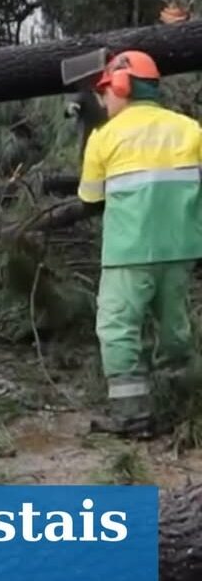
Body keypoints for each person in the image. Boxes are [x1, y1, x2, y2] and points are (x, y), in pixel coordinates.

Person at [76, 49, 202, 438]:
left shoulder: (104, 136)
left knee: (117, 329)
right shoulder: (191, 130)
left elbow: (90, 200)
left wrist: (85, 136)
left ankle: (133, 416)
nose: (103, 100)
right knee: (175, 332)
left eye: (105, 92)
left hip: (128, 253)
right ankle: (186, 407)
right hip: (181, 249)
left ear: (121, 85)